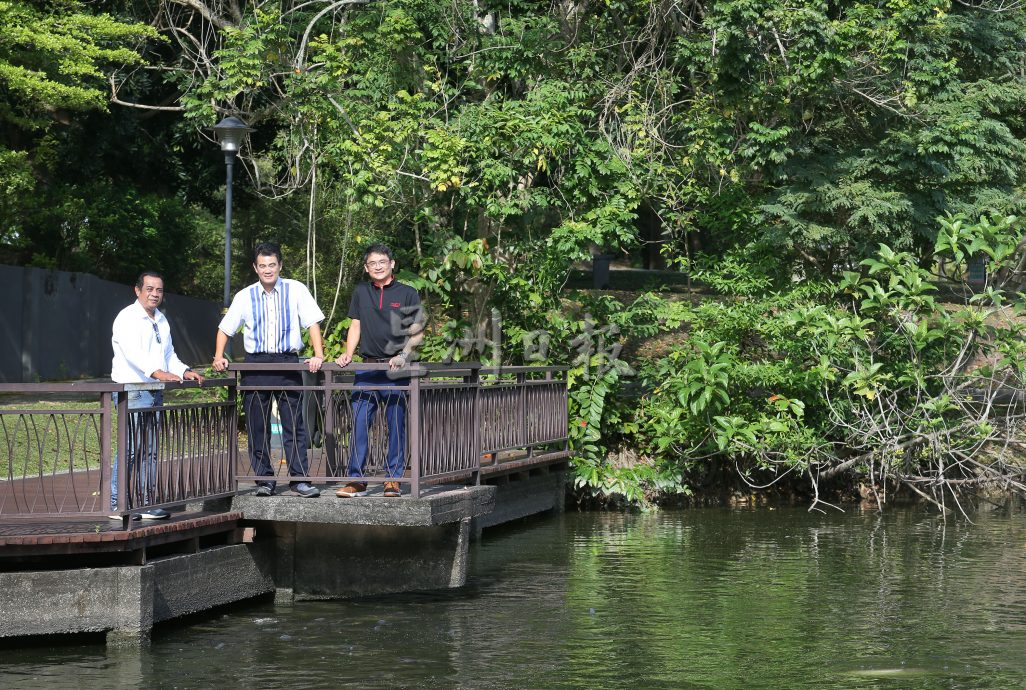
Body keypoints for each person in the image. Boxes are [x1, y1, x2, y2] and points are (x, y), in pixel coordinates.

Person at [213, 242, 325, 498]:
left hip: (287, 363)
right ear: (255, 267)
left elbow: (312, 322)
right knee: (257, 426)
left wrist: (318, 354)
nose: (267, 270)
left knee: (294, 425)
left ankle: (299, 480)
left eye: (272, 265)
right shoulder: (245, 295)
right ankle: (264, 480)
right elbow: (225, 328)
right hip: (255, 365)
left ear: (280, 265)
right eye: (262, 265)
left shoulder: (296, 289)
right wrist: (219, 356)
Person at [110, 271, 204, 520]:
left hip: (153, 391)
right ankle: (116, 504)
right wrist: (157, 373)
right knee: (130, 449)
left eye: (159, 290)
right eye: (150, 289)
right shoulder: (127, 317)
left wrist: (184, 371)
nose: (154, 294)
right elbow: (133, 353)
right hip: (132, 390)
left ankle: (146, 503)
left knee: (149, 451)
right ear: (137, 290)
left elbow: (169, 354)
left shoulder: (161, 319)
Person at [335, 243, 424, 498]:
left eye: (382, 262)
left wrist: (403, 355)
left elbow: (416, 332)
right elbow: (355, 325)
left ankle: (393, 479)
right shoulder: (361, 292)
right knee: (360, 422)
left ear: (392, 263)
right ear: (366, 267)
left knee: (395, 424)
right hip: (366, 367)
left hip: (395, 368)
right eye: (372, 263)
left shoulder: (407, 293)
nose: (377, 267)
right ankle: (356, 480)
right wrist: (348, 354)